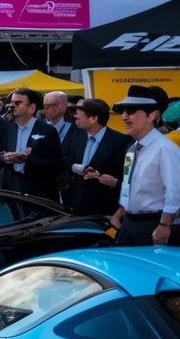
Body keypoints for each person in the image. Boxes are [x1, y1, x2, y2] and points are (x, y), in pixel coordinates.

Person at [109, 85, 180, 246]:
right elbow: (130, 185)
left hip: (153, 223)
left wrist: (164, 225)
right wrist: (120, 212)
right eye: (123, 111)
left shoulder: (165, 149)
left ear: (152, 115)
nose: (124, 117)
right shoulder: (132, 148)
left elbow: (175, 190)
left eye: (131, 111)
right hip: (129, 222)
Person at [66, 98, 131, 216]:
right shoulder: (77, 137)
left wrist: (115, 183)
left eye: (78, 113)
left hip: (105, 210)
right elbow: (67, 162)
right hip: (76, 207)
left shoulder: (121, 141)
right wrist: (74, 168)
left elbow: (126, 178)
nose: (75, 116)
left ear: (93, 118)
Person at [0, 87, 64, 200]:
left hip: (39, 190)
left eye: (18, 103)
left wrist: (27, 160)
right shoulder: (6, 128)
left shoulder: (47, 130)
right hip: (11, 187)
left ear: (32, 108)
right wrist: (4, 156)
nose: (12, 106)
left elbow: (57, 163)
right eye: (11, 102)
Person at [43, 90, 84, 165]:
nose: (44, 110)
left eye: (48, 106)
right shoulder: (40, 127)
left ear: (62, 106)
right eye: (44, 106)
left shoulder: (79, 130)